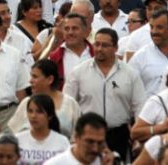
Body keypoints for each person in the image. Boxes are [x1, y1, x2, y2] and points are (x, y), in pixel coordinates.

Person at [64, 28, 145, 160]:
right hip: (87, 136)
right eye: (97, 44)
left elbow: (139, 107)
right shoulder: (78, 72)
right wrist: (73, 137)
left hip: (119, 136)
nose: (99, 49)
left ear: (115, 48)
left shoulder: (130, 74)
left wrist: (138, 138)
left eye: (105, 45)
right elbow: (68, 106)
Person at [8, 59, 80, 139]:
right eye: (31, 76)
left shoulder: (70, 104)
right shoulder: (26, 103)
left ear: (50, 79)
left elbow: (77, 137)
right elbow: (13, 134)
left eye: (35, 77)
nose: (30, 81)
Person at [128, 10, 168, 94]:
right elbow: (129, 89)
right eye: (151, 27)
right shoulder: (140, 57)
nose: (154, 31)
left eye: (159, 27)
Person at [43, 112, 115, 165]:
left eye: (100, 143)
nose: (95, 149)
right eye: (90, 142)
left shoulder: (106, 162)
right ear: (76, 137)